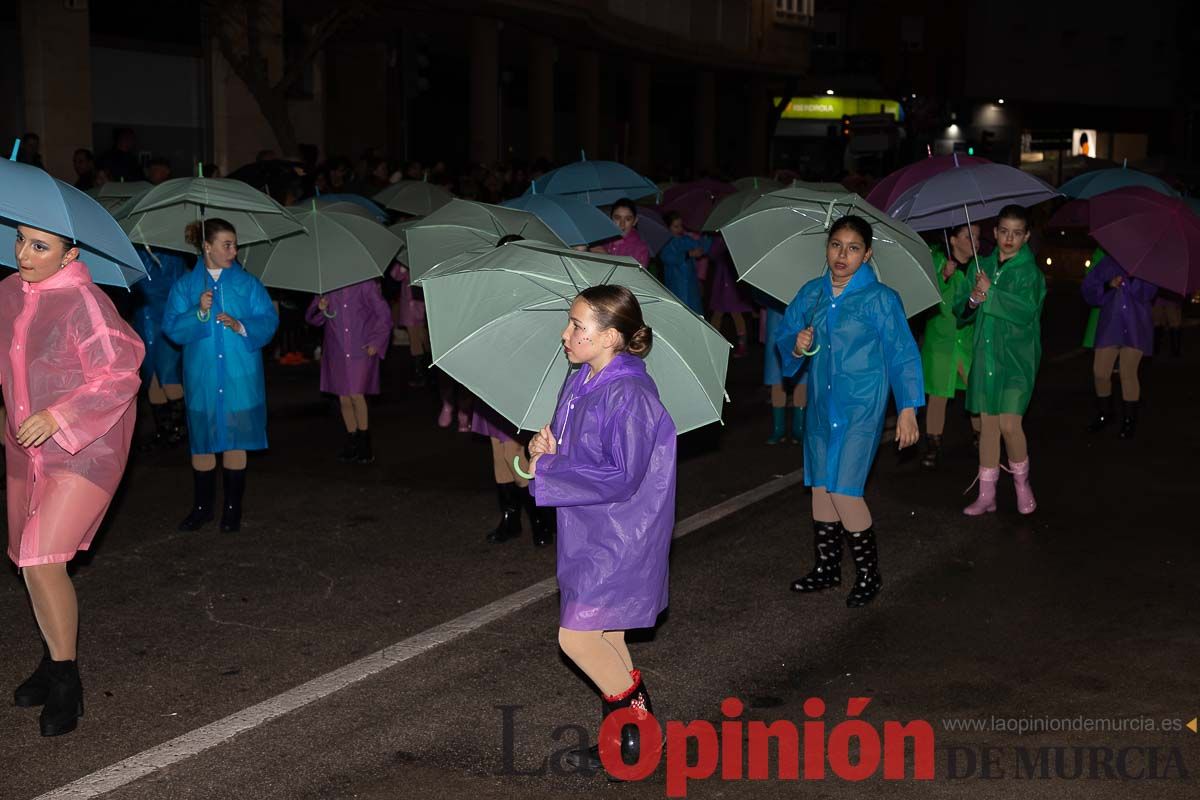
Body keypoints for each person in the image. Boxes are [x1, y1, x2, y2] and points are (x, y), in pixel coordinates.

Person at [2, 224, 144, 737]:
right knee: (28, 560)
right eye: (19, 239)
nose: (23, 252)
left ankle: (67, 683)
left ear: (70, 254)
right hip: (25, 450)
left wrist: (60, 417)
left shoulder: (85, 301)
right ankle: (50, 660)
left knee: (43, 558)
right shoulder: (8, 293)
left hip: (84, 448)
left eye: (40, 246)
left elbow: (120, 374)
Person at [527, 285, 675, 773]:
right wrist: (546, 446)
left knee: (578, 638)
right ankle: (626, 738)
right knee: (607, 633)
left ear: (611, 336)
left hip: (620, 532)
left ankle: (641, 731)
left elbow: (623, 473)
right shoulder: (581, 379)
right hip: (590, 525)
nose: (565, 333)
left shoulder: (629, 392)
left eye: (577, 326)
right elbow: (571, 447)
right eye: (570, 323)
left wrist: (550, 469)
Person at [777, 216, 922, 607]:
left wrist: (908, 408)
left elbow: (902, 354)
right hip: (822, 404)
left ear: (867, 254)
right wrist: (797, 344)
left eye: (853, 247)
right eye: (836, 245)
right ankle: (827, 568)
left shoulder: (881, 299)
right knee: (821, 484)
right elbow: (787, 336)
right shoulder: (813, 294)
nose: (843, 255)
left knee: (845, 488)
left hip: (861, 405)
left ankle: (869, 574)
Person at [162, 219, 279, 533]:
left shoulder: (248, 284)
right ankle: (202, 507)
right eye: (227, 244)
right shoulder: (186, 286)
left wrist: (241, 326)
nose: (234, 251)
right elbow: (172, 327)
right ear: (207, 247)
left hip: (240, 376)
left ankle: (232, 507)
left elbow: (268, 319)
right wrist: (198, 312)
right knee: (202, 442)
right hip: (203, 377)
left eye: (235, 244)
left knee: (235, 440)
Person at [956, 205, 1046, 516]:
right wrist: (973, 299)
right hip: (986, 356)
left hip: (1017, 360)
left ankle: (1023, 486)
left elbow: (1025, 312)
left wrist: (990, 293)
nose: (1009, 238)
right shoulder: (981, 267)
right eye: (1004, 231)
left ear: (1026, 236)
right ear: (995, 233)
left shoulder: (1030, 273)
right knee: (989, 426)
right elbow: (961, 312)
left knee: (1010, 423)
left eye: (1016, 233)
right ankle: (987, 494)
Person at [305, 279, 392, 463]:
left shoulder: (365, 286)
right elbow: (312, 319)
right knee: (343, 397)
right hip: (337, 350)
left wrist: (376, 342)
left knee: (356, 394)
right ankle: (352, 440)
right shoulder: (327, 288)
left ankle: (364, 442)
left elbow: (384, 315)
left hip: (360, 349)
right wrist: (320, 308)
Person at [919, 224, 981, 469]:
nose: (975, 241)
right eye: (969, 236)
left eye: (977, 236)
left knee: (977, 391)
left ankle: (982, 437)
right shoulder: (936, 260)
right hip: (941, 341)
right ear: (953, 240)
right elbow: (926, 294)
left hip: (968, 341)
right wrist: (943, 275)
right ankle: (933, 445)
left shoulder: (980, 266)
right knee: (938, 395)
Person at [1082, 252, 1156, 438]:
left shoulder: (1146, 265)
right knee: (1100, 372)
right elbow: (1088, 290)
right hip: (1110, 326)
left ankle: (1129, 420)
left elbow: (1148, 293)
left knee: (1128, 372)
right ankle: (1105, 414)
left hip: (1136, 327)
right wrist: (1108, 285)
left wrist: (1131, 279)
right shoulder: (1106, 262)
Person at [131, 245, 190, 450]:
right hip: (144, 317)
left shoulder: (171, 253)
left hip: (167, 319)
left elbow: (179, 284)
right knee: (152, 376)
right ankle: (164, 429)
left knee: (168, 373)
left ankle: (180, 428)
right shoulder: (134, 251)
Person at [761, 296, 807, 445]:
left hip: (801, 317)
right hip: (776, 316)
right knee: (775, 371)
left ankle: (798, 428)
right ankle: (778, 428)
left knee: (803, 373)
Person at [706, 235, 753, 358]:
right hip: (722, 282)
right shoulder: (719, 240)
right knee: (718, 313)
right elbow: (712, 254)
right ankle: (712, 342)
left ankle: (742, 345)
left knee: (735, 313)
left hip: (733, 281)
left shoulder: (738, 238)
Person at [658, 211, 710, 314]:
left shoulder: (685, 239)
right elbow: (667, 258)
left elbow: (701, 246)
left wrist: (706, 236)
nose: (680, 229)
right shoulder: (665, 243)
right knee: (678, 310)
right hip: (675, 283)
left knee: (694, 309)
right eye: (675, 226)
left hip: (691, 284)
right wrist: (687, 255)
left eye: (681, 226)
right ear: (667, 228)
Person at [591, 199, 650, 268]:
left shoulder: (641, 249)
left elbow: (635, 277)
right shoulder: (601, 240)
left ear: (634, 221)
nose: (622, 224)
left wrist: (607, 257)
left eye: (628, 219)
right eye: (617, 218)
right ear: (610, 219)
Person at [1152, 291, 1184, 357]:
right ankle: (1156, 348)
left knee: (1173, 323)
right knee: (1157, 322)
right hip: (1164, 297)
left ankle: (1174, 350)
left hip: (1170, 297)